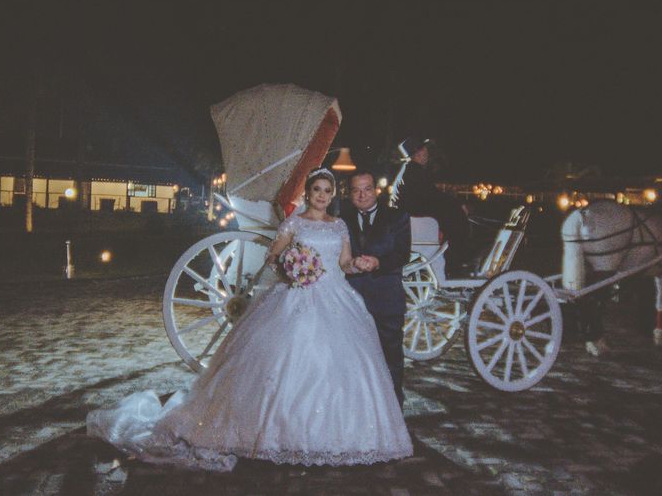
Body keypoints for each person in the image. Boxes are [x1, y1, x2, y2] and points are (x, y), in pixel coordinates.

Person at [87, 168, 413, 471]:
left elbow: (343, 263)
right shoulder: (294, 224)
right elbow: (274, 256)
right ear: (309, 192)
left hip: (335, 297)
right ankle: (277, 432)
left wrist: (362, 264)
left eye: (327, 191)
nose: (322, 195)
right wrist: (291, 268)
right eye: (317, 190)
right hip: (296, 295)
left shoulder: (339, 225)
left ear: (332, 195)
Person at [341, 168, 411, 407]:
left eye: (367, 189)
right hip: (350, 300)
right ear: (349, 194)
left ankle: (394, 409)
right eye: (356, 191)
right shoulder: (341, 218)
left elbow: (402, 254)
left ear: (377, 191)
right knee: (352, 359)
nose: (362, 196)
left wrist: (379, 262)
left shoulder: (397, 217)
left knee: (391, 358)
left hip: (386, 298)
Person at [389, 136, 471, 272]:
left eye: (424, 150)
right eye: (422, 151)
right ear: (415, 154)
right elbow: (433, 196)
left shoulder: (409, 171)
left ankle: (454, 259)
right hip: (414, 220)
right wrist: (458, 205)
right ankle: (457, 262)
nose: (426, 153)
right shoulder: (415, 171)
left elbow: (430, 197)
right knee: (457, 221)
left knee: (451, 217)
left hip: (406, 218)